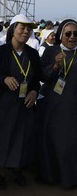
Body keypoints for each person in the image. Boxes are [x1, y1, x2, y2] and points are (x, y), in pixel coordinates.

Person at [0, 14, 42, 190]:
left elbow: (36, 79)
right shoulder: (0, 52)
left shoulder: (33, 53)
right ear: (13, 29)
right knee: (3, 137)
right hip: (3, 104)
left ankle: (17, 168)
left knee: (21, 137)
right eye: (22, 28)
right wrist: (4, 79)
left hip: (24, 104)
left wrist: (34, 91)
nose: (26, 31)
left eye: (28, 28)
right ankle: (0, 172)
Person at [36, 19, 77, 189]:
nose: (72, 37)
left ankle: (70, 178)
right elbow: (42, 76)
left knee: (70, 142)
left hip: (73, 104)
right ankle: (50, 175)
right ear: (61, 35)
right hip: (53, 104)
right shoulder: (52, 50)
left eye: (76, 34)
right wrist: (54, 66)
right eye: (68, 34)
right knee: (52, 140)